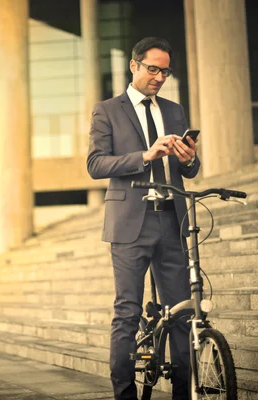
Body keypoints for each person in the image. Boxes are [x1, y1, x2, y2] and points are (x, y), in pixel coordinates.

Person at [86, 37, 200, 400]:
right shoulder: (107, 110)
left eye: (165, 71)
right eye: (153, 69)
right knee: (128, 312)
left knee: (182, 312)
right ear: (134, 66)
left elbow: (192, 170)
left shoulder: (175, 110)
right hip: (130, 222)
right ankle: (125, 396)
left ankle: (184, 393)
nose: (159, 77)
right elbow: (95, 164)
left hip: (172, 220)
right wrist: (145, 155)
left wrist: (188, 159)